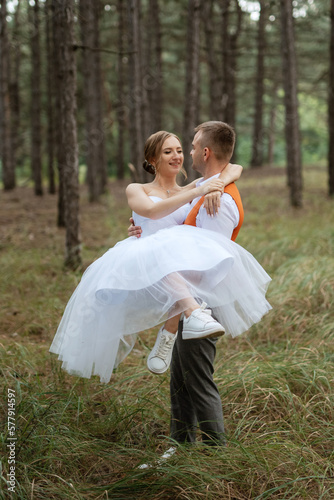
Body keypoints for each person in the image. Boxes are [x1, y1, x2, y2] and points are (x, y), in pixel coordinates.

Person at [49, 130, 246, 383]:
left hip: (177, 268)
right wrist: (201, 190)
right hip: (145, 264)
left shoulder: (190, 188)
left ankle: (169, 333)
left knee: (169, 257)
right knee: (157, 249)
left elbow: (234, 168)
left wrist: (215, 187)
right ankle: (185, 320)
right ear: (153, 159)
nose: (176, 156)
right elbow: (151, 212)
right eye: (167, 152)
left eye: (179, 150)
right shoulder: (137, 188)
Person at [128, 121, 272, 446]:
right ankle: (180, 447)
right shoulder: (207, 190)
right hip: (190, 304)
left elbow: (205, 266)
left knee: (198, 381)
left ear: (205, 152)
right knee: (181, 380)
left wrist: (173, 288)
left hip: (202, 304)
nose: (187, 152)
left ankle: (216, 452)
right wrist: (145, 232)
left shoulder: (216, 202)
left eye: (190, 147)